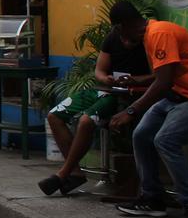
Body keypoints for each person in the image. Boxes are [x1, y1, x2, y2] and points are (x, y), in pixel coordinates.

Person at [106, 1, 188, 218]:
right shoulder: (151, 34)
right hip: (181, 97)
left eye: (117, 30)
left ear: (122, 26)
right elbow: (167, 73)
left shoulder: (160, 33)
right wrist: (140, 80)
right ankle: (152, 198)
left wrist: (131, 110)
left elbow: (163, 83)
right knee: (142, 135)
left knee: (165, 140)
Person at [38, 27, 152, 196]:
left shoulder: (149, 41)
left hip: (127, 94)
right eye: (124, 39)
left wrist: (136, 80)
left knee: (86, 120)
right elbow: (99, 70)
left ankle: (63, 173)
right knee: (54, 115)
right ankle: (75, 172)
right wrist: (106, 78)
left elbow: (158, 75)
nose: (128, 43)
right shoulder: (112, 38)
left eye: (132, 41)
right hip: (105, 89)